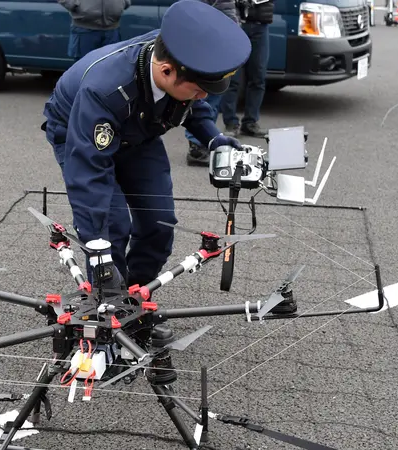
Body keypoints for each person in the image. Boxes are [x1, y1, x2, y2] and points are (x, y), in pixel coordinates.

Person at [42, 0, 251, 291]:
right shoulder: (104, 90)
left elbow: (191, 104)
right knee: (110, 230)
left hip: (138, 131)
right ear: (166, 72)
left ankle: (135, 299)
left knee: (159, 224)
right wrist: (96, 245)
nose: (203, 96)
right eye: (199, 89)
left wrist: (213, 139)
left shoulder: (178, 55)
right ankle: (109, 313)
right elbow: (88, 172)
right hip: (80, 131)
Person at [184, 0, 240, 166]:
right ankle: (197, 145)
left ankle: (205, 142)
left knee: (210, 93)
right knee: (202, 92)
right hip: (210, 27)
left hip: (218, 26)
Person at [219, 0, 274, 138]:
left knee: (258, 77)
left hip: (261, 23)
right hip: (237, 23)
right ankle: (231, 122)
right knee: (232, 77)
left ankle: (250, 122)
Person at [58, 0, 131, 60]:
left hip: (112, 31)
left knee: (111, 69)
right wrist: (73, 3)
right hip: (85, 31)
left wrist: (125, 2)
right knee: (85, 68)